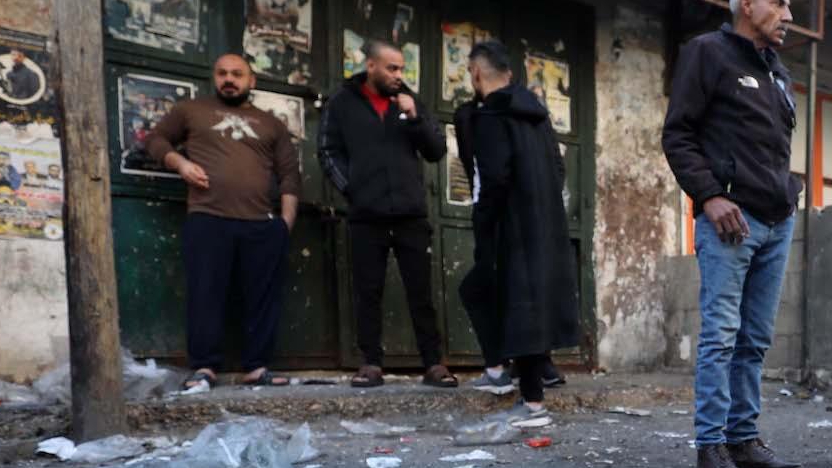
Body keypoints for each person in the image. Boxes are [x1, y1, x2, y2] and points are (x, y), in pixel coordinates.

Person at [661, 0, 805, 468]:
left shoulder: (777, 72)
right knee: (721, 336)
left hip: (776, 220)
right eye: (779, 4)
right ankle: (711, 448)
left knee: (756, 338)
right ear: (746, 5)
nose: (788, 16)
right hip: (730, 221)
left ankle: (744, 439)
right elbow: (678, 134)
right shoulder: (707, 53)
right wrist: (710, 195)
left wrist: (790, 193)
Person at [143, 53, 299, 390]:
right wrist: (179, 164)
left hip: (261, 223)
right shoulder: (192, 111)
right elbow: (155, 139)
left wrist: (285, 224)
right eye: (223, 73)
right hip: (208, 217)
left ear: (251, 81)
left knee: (262, 297)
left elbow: (289, 175)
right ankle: (204, 368)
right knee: (205, 293)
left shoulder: (271, 123)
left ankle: (257, 367)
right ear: (214, 77)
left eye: (237, 74)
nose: (230, 79)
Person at [455, 41, 580, 428]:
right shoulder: (536, 115)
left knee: (509, 303)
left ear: (476, 73)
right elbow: (558, 171)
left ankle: (532, 402)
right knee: (521, 305)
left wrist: (485, 221)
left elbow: (494, 177)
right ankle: (519, 383)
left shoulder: (491, 116)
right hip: (543, 223)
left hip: (509, 226)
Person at [319, 40, 456, 389]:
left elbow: (437, 150)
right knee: (368, 291)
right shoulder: (342, 102)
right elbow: (327, 150)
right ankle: (371, 363)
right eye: (392, 68)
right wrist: (354, 189)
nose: (399, 75)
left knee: (421, 293)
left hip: (411, 214)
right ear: (371, 67)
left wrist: (415, 118)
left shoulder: (409, 101)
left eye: (401, 69)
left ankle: (433, 363)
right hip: (366, 216)